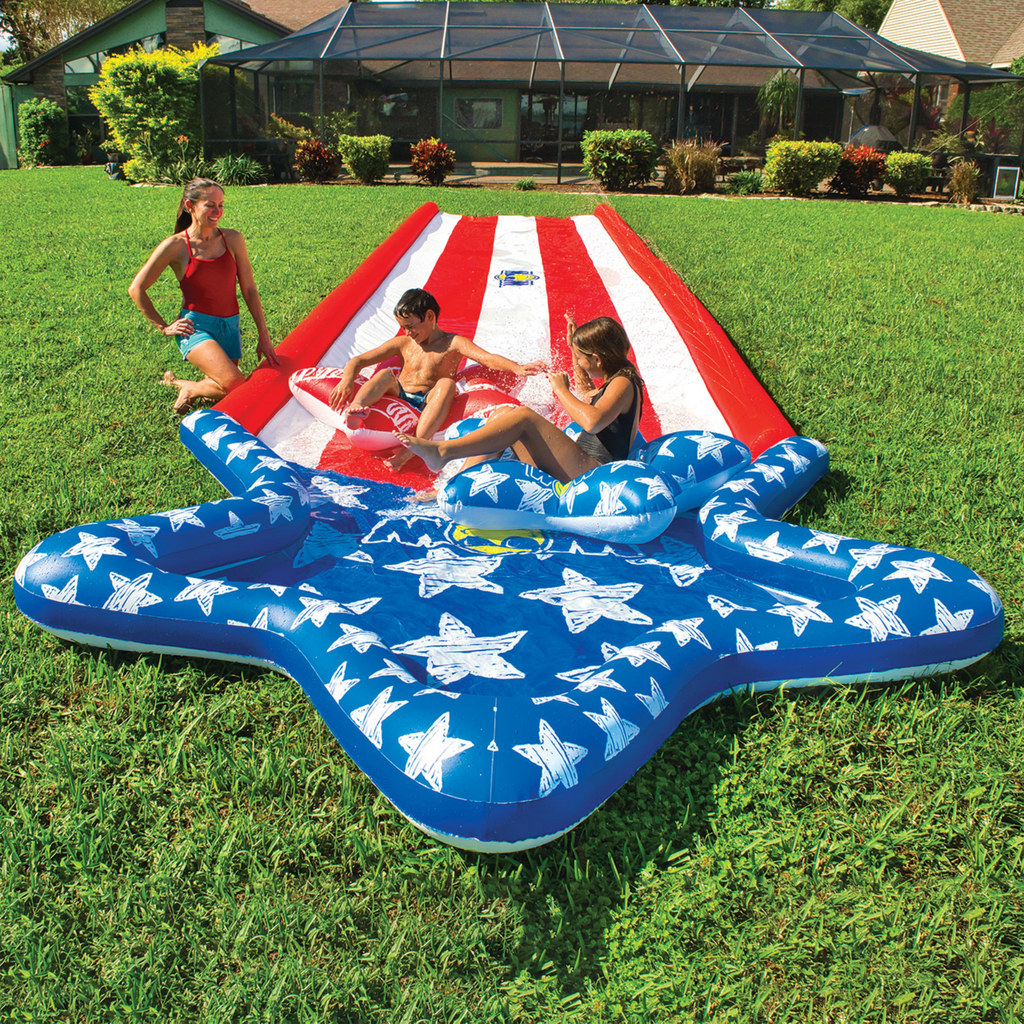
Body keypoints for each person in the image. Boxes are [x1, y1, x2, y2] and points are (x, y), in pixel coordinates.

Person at [393, 314, 643, 484]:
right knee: (505, 415)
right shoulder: (617, 380)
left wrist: (561, 391)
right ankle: (455, 480)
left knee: (523, 416)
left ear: (597, 359)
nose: (577, 362)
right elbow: (588, 395)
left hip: (592, 471)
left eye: (580, 358)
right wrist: (572, 349)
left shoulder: (623, 383)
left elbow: (593, 422)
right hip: (579, 463)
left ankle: (443, 451)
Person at [328, 287, 544, 469]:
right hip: (399, 393)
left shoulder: (453, 343)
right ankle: (357, 408)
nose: (407, 332)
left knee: (446, 384)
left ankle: (413, 449)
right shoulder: (403, 343)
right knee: (385, 375)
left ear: (430, 317)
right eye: (403, 327)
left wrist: (517, 368)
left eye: (411, 326)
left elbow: (486, 358)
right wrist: (347, 381)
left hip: (429, 400)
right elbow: (358, 360)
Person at [129, 177, 280, 414]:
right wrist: (163, 327)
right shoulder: (175, 245)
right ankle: (192, 388)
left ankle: (187, 386)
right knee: (236, 385)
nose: (217, 212)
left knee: (224, 388)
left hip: (229, 326)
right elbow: (136, 288)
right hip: (195, 327)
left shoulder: (233, 239)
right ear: (190, 206)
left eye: (221, 205)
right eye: (210, 205)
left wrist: (264, 333)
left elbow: (249, 289)